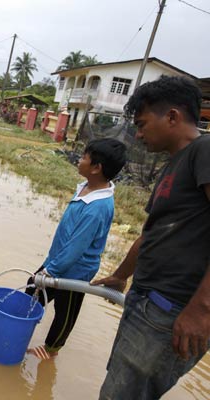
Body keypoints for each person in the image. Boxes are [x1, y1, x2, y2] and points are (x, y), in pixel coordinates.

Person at [93, 76, 210, 399]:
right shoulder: (173, 167)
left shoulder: (205, 150)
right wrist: (120, 276)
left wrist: (202, 309)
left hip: (173, 308)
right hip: (146, 303)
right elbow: (151, 235)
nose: (139, 134)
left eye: (143, 124)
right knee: (118, 388)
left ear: (172, 116)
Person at [25, 138, 127, 360]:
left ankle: (51, 350)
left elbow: (76, 247)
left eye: (83, 157)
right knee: (32, 291)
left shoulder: (97, 207)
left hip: (75, 271)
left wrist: (50, 271)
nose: (79, 160)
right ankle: (20, 330)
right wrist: (51, 267)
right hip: (58, 261)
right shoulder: (87, 188)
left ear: (96, 168)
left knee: (65, 312)